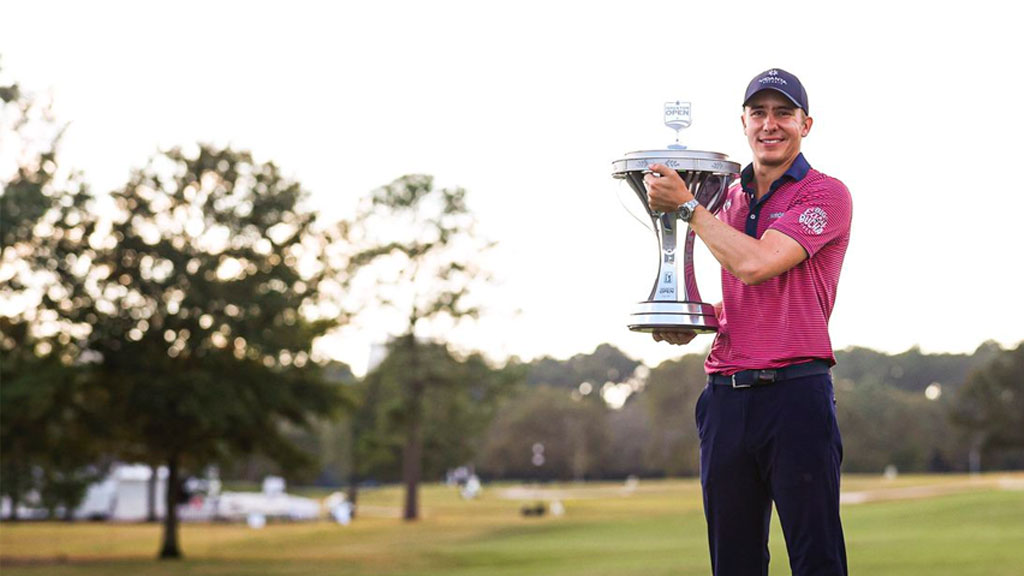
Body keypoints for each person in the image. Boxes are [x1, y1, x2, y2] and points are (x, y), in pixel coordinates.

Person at [644, 68, 852, 576]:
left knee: (816, 559)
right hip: (726, 399)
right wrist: (696, 318)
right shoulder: (725, 198)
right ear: (744, 122)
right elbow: (746, 297)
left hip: (796, 396)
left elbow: (757, 265)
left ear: (807, 123)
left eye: (783, 112)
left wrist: (689, 206)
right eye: (758, 112)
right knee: (733, 563)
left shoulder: (825, 195)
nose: (770, 124)